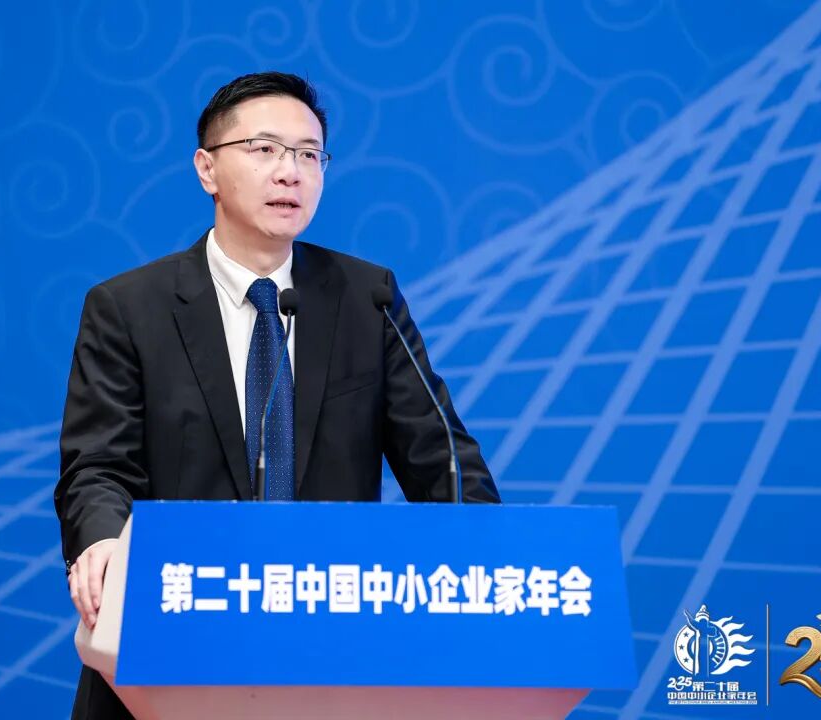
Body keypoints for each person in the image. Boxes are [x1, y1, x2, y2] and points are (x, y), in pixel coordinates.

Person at [54, 71, 500, 719]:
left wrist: (488, 555)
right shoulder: (129, 308)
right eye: (264, 149)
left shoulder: (366, 297)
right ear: (207, 169)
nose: (290, 172)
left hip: (331, 651)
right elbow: (98, 466)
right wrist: (101, 542)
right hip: (174, 640)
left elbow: (442, 459)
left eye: (309, 155)